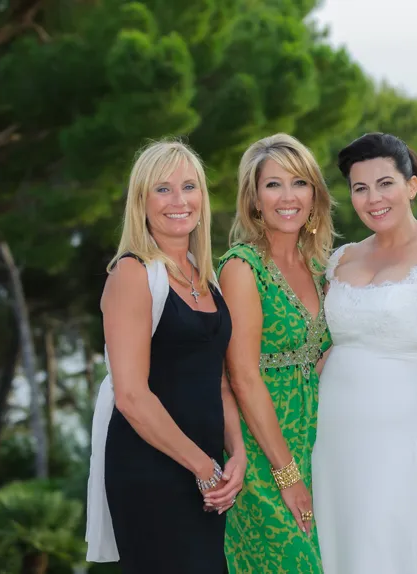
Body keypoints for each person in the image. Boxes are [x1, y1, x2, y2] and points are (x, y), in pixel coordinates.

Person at [312, 132, 417, 574]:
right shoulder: (340, 260)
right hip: (335, 439)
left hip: (411, 438)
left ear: (410, 185)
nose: (373, 198)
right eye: (360, 188)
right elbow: (330, 345)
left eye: (385, 183)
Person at [86, 140, 245, 573]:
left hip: (207, 474)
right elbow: (132, 397)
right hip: (151, 471)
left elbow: (218, 380)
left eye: (189, 187)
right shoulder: (131, 273)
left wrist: (238, 453)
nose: (179, 201)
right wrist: (203, 467)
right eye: (163, 189)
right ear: (141, 201)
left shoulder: (205, 274)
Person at [218, 133, 334, 573]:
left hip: (319, 444)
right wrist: (287, 475)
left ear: (314, 194)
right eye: (273, 185)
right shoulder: (241, 267)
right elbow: (243, 377)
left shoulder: (321, 266)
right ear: (254, 199)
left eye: (299, 183)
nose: (289, 197)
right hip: (265, 454)